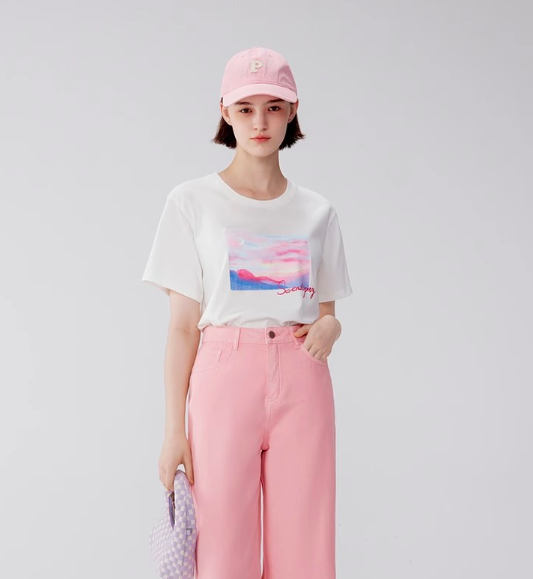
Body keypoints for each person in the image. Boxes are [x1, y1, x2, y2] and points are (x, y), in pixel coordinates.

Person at [142, 46, 353, 579]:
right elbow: (182, 327)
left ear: (293, 111)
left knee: (306, 548)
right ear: (224, 112)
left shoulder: (318, 212)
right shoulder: (191, 202)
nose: (260, 122)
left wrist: (331, 326)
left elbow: (325, 312)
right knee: (221, 549)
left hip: (302, 379)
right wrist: (173, 430)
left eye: (274, 108)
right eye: (245, 108)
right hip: (223, 375)